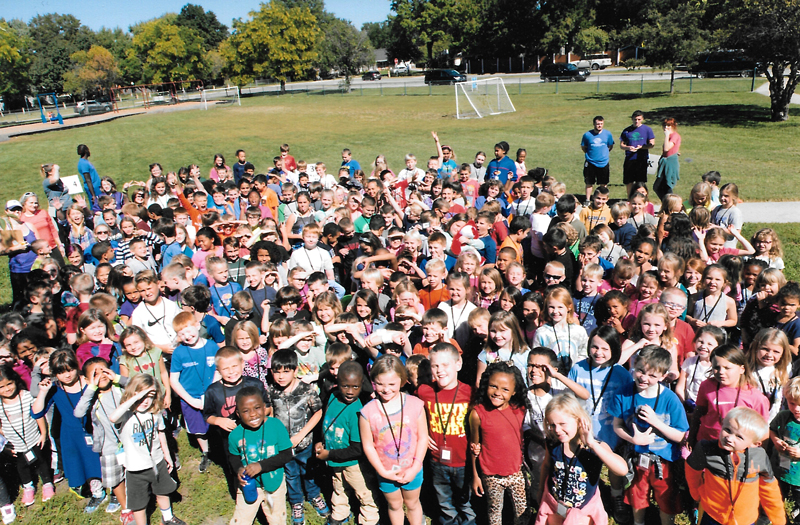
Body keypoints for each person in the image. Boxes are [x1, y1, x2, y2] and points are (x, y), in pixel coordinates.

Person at [609, 345, 689, 525]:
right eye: (640, 371)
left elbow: (681, 436)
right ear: (634, 365)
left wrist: (655, 422)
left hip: (664, 461)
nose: (644, 378)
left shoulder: (670, 399)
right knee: (637, 497)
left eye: (652, 375)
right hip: (636, 459)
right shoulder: (623, 393)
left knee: (666, 500)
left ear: (663, 376)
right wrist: (632, 439)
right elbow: (617, 425)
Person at [535, 393, 629, 525]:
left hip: (582, 512)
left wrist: (592, 444)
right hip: (555, 505)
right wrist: (540, 491)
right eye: (552, 425)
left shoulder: (594, 447)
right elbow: (546, 465)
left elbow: (622, 470)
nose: (557, 430)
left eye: (562, 424)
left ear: (579, 421)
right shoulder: (553, 443)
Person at [687, 407, 786, 525]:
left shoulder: (759, 457)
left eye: (739, 437)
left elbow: (770, 489)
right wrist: (697, 493)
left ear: (755, 444)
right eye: (727, 430)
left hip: (745, 519)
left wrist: (779, 520)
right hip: (713, 515)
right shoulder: (706, 449)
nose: (729, 438)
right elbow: (692, 470)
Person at [360, 355, 428, 525]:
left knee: (412, 503)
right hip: (386, 472)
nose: (386, 389)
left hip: (412, 468)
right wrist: (382, 472)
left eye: (392, 384)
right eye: (380, 383)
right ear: (373, 381)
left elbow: (422, 438)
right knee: (395, 505)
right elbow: (368, 445)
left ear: (403, 381)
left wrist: (415, 467)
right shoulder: (367, 412)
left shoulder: (415, 405)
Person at [109, 374, 185, 525]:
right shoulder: (126, 415)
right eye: (142, 396)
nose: (145, 401)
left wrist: (167, 456)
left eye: (150, 396)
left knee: (163, 491)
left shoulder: (154, 413)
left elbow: (161, 434)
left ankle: (168, 518)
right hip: (136, 468)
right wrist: (134, 398)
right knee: (138, 504)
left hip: (157, 462)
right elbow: (113, 417)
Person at [314, 361, 379, 525]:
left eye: (355, 387)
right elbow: (326, 422)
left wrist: (329, 454)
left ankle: (370, 518)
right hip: (335, 460)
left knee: (364, 492)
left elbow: (358, 449)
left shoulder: (358, 412)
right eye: (345, 386)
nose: (350, 392)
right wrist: (321, 442)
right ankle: (340, 512)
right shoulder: (332, 396)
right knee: (338, 487)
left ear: (361, 385)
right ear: (338, 383)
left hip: (353, 464)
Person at [417, 343, 475, 525]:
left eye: (445, 365)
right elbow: (412, 416)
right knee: (444, 502)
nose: (440, 370)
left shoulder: (470, 393)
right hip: (437, 461)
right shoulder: (423, 391)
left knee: (465, 502)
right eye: (435, 366)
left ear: (458, 365)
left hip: (463, 460)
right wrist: (423, 434)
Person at [468, 360, 531, 525]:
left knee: (523, 513)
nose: (497, 393)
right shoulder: (477, 414)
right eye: (493, 386)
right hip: (491, 476)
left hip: (516, 473)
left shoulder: (520, 411)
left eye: (505, 389)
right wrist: (475, 476)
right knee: (494, 512)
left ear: (514, 391)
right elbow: (474, 447)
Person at [227, 385, 294, 525]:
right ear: (238, 414)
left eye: (257, 408)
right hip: (249, 485)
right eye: (246, 411)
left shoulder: (276, 425)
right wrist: (238, 469)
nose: (253, 414)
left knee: (277, 519)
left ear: (264, 408)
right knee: (241, 520)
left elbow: (287, 455)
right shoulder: (235, 435)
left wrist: (261, 466)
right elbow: (233, 457)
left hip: (274, 484)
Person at [620, 110, 656, 195]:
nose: (636, 121)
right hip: (630, 158)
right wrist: (628, 147)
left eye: (639, 119)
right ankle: (629, 198)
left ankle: (642, 198)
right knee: (629, 181)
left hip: (641, 158)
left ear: (642, 119)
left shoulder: (647, 130)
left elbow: (652, 144)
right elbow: (622, 145)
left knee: (641, 182)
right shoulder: (627, 131)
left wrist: (643, 147)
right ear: (632, 119)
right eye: (635, 119)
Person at [580, 116, 615, 205]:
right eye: (597, 124)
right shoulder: (587, 135)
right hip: (590, 162)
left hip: (603, 162)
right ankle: (588, 200)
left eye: (601, 124)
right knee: (589, 182)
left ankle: (603, 199)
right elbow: (584, 147)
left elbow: (610, 146)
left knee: (603, 183)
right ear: (594, 124)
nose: (599, 126)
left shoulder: (607, 134)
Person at [654, 118, 681, 202]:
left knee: (666, 186)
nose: (666, 127)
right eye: (664, 125)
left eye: (668, 125)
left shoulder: (674, 136)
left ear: (673, 126)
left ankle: (671, 204)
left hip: (670, 164)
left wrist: (666, 136)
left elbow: (666, 148)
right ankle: (667, 204)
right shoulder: (670, 136)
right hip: (665, 162)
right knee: (658, 187)